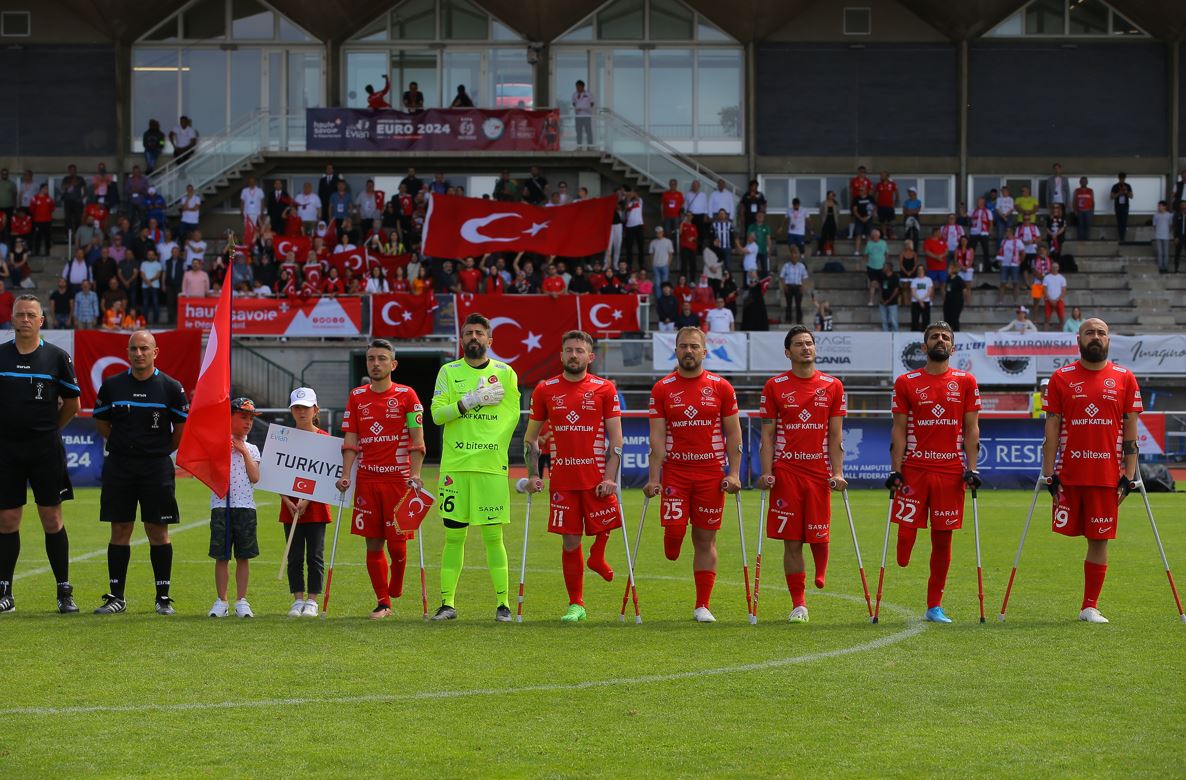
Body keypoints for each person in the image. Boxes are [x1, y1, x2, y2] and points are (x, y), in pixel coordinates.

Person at [1041, 319, 1141, 623]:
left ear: (1108, 340)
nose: (1096, 337)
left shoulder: (1125, 378)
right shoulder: (1061, 377)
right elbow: (1052, 428)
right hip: (1070, 473)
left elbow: (1131, 432)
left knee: (1100, 538)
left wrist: (1130, 475)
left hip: (1106, 475)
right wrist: (1048, 473)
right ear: (1079, 339)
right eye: (1090, 333)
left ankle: (1089, 606)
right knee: (1066, 535)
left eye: (1101, 333)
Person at [523, 331, 622, 622]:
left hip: (595, 479)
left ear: (590, 357)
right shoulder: (545, 389)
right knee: (569, 542)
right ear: (562, 355)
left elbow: (616, 439)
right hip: (563, 481)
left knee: (608, 521)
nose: (574, 355)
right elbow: (531, 440)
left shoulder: (604, 389)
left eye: (580, 350)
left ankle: (598, 556)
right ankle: (576, 604)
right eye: (569, 350)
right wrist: (532, 474)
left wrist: (610, 477)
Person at [645, 327, 742, 622]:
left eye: (694, 346)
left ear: (704, 351)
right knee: (674, 537)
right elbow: (657, 438)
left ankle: (702, 605)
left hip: (710, 474)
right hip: (676, 473)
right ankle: (672, 539)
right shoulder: (662, 388)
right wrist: (654, 478)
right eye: (683, 346)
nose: (689, 351)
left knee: (704, 539)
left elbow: (733, 433)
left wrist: (735, 473)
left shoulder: (721, 387)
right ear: (675, 351)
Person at [886, 321, 981, 623]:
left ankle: (934, 605)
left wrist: (972, 468)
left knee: (943, 540)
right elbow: (899, 430)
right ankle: (904, 551)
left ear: (952, 347)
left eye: (945, 337)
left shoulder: (966, 381)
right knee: (905, 541)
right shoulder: (906, 382)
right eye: (934, 337)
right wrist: (895, 469)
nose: (940, 340)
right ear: (924, 347)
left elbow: (971, 428)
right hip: (915, 469)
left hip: (950, 471)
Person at [429, 314, 522, 621]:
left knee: (494, 538)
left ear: (489, 340)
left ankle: (503, 605)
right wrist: (469, 401)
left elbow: (512, 416)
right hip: (455, 466)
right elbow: (437, 416)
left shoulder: (506, 373)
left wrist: (491, 445)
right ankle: (447, 604)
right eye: (468, 332)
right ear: (462, 338)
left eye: (479, 333)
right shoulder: (448, 371)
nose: (473, 337)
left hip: (490, 467)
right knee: (454, 537)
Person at [91, 331, 187, 616]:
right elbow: (102, 424)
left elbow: (178, 433)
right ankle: (116, 597)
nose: (139, 353)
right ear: (128, 352)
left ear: (155, 352)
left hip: (155, 467)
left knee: (158, 530)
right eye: (134, 348)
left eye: (144, 348)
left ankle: (163, 597)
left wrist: (153, 451)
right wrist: (125, 448)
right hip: (120, 466)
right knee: (120, 529)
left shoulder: (171, 388)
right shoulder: (112, 386)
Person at [757, 326, 847, 622]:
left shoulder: (833, 385)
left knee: (819, 535)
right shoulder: (774, 386)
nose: (805, 348)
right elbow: (767, 435)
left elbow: (836, 436)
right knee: (792, 540)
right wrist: (767, 471)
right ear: (788, 352)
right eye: (799, 344)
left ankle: (820, 573)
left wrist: (838, 471)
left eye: (809, 343)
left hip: (818, 472)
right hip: (787, 472)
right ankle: (799, 604)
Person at [0, 295, 82, 614]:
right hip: (6, 451)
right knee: (8, 519)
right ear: (11, 319)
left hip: (45, 451)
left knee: (52, 518)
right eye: (20, 314)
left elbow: (72, 404)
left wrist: (49, 430)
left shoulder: (57, 357)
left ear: (41, 320)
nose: (25, 319)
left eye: (31, 315)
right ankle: (5, 589)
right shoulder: (2, 357)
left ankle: (64, 590)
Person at [334, 342, 425, 619]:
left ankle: (395, 583)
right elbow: (351, 439)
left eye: (382, 359)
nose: (376, 363)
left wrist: (416, 474)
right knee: (373, 543)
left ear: (392, 364)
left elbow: (417, 440)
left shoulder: (407, 395)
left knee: (397, 545)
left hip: (398, 481)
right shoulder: (357, 396)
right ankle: (383, 602)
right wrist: (346, 474)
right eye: (371, 358)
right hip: (368, 481)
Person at [208, 398, 262, 618]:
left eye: (250, 419)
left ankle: (241, 599)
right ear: (229, 418)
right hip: (221, 506)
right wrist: (223, 449)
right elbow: (210, 474)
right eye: (243, 417)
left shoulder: (252, 448)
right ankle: (222, 600)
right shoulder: (217, 445)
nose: (248, 423)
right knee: (222, 556)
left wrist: (244, 452)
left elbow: (255, 477)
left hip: (245, 506)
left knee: (243, 555)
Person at [779, 247, 808, 324]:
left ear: (798, 256)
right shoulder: (786, 266)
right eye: (793, 255)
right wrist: (784, 286)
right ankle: (788, 320)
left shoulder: (801, 266)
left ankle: (799, 320)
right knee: (789, 304)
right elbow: (782, 276)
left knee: (798, 304)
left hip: (798, 287)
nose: (794, 256)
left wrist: (803, 286)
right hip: (789, 286)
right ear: (791, 256)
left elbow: (804, 277)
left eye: (796, 255)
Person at [864, 227, 888, 306]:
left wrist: (885, 264)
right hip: (871, 267)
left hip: (881, 267)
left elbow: (886, 254)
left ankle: (883, 299)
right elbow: (866, 255)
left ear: (878, 235)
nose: (873, 236)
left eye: (875, 235)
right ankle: (871, 301)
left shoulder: (883, 243)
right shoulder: (869, 243)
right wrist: (866, 263)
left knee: (882, 285)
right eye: (872, 235)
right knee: (873, 284)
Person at [1042, 261, 1068, 330]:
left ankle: (1061, 336)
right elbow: (1044, 290)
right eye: (1053, 267)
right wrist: (1050, 300)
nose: (1054, 268)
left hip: (1059, 300)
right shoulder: (1046, 277)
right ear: (1051, 268)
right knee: (1047, 318)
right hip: (1048, 300)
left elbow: (1063, 291)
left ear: (1058, 268)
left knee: (1062, 318)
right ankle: (1044, 336)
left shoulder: (1062, 278)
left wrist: (1056, 300)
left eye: (1056, 267)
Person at [879, 258, 901, 332]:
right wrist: (882, 298)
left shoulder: (895, 277)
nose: (883, 268)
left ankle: (896, 337)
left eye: (884, 267)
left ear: (889, 268)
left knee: (893, 320)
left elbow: (896, 290)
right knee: (884, 321)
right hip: (883, 303)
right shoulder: (882, 276)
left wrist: (888, 300)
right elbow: (881, 288)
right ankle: (885, 336)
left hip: (892, 303)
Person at [572, 80, 595, 148]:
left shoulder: (589, 94)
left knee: (588, 131)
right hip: (578, 116)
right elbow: (573, 103)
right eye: (576, 87)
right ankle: (579, 146)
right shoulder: (574, 94)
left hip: (586, 115)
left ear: (582, 87)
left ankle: (590, 146)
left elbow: (592, 103)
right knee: (579, 132)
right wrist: (577, 107)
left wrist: (585, 108)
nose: (577, 88)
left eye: (578, 86)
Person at [1110, 173, 1133, 242]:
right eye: (1121, 178)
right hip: (1118, 206)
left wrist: (1126, 192)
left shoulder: (1128, 186)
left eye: (1123, 178)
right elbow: (1111, 197)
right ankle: (1120, 237)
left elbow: (1131, 196)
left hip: (1125, 206)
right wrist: (1119, 193)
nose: (1122, 179)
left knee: (1124, 222)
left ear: (1125, 178)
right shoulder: (1115, 186)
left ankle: (1123, 238)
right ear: (1118, 178)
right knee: (1119, 222)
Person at [909, 265, 932, 332]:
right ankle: (914, 333)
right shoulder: (914, 280)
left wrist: (922, 300)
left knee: (926, 319)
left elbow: (929, 291)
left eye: (921, 269)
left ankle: (926, 333)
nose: (920, 271)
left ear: (924, 270)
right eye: (919, 269)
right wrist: (920, 301)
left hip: (926, 301)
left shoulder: (928, 280)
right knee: (915, 319)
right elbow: (913, 292)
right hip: (915, 302)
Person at [1073, 177, 1095, 242]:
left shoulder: (1090, 191)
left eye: (1085, 181)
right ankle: (1080, 241)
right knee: (1080, 227)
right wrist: (1075, 211)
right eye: (1082, 181)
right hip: (1079, 211)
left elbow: (1093, 201)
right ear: (1080, 182)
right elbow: (1074, 201)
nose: (1084, 182)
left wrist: (1092, 211)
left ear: (1087, 182)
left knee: (1087, 227)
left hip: (1088, 211)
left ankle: (1087, 240)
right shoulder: (1076, 191)